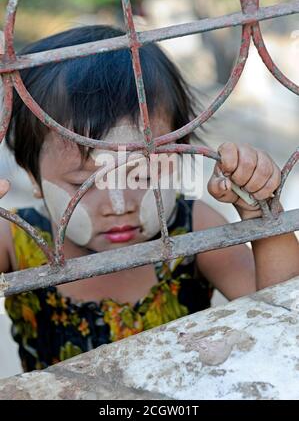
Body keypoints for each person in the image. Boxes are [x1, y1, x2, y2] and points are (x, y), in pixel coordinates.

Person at [0, 25, 298, 371]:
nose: (119, 205)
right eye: (85, 183)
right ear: (31, 175)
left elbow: (284, 314)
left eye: (142, 176)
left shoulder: (195, 227)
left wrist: (260, 213)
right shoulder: (15, 241)